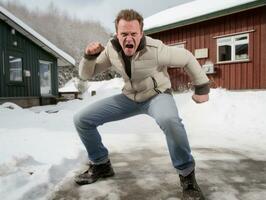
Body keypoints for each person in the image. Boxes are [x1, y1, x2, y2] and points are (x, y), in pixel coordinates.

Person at [73, 9, 209, 200]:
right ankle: (101, 164)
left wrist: (202, 88)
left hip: (157, 96)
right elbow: (87, 74)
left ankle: (187, 177)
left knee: (170, 120)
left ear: (141, 33)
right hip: (129, 98)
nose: (129, 38)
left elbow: (186, 57)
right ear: (117, 34)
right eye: (124, 34)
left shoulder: (156, 50)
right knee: (82, 119)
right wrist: (88, 57)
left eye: (133, 34)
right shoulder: (112, 50)